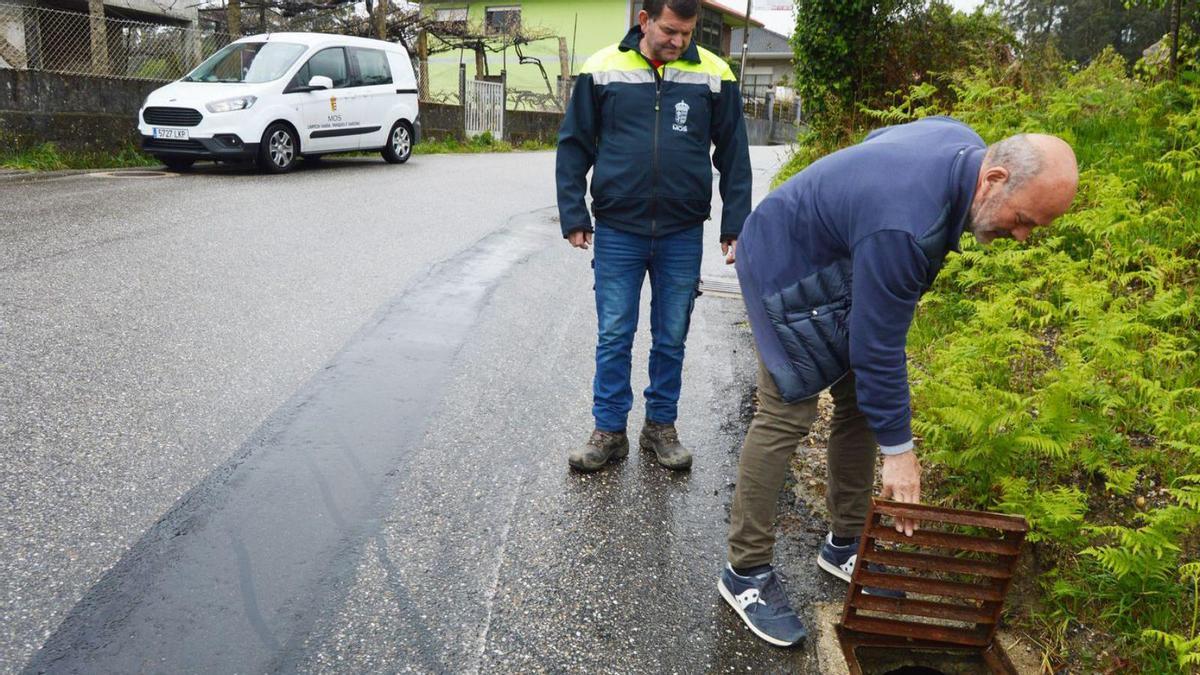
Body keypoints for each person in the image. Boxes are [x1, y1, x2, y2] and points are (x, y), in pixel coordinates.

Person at [716, 117, 1079, 647]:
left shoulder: (961, 147)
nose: (1021, 237)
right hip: (784, 261)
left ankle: (843, 543)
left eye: (1034, 229)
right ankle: (743, 573)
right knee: (786, 411)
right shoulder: (905, 226)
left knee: (861, 404)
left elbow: (876, 143)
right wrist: (901, 452)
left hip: (843, 255)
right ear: (995, 177)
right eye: (1023, 220)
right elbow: (877, 346)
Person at [556, 0, 751, 472]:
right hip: (619, 227)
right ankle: (608, 431)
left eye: (686, 33)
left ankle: (660, 427)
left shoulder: (715, 73)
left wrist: (736, 226)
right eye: (669, 31)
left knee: (671, 335)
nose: (678, 42)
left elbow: (734, 153)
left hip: (681, 231)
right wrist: (573, 213)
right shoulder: (602, 68)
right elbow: (574, 143)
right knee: (615, 333)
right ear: (644, 21)